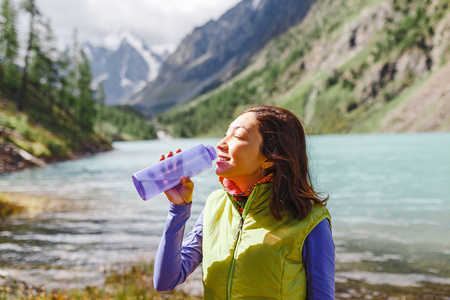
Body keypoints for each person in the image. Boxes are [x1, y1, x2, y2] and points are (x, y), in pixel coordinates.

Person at [153, 105, 335, 299]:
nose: (221, 144)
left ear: (269, 157)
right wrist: (178, 209)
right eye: (225, 134)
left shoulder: (310, 220)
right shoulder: (216, 205)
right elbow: (165, 281)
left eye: (238, 137)